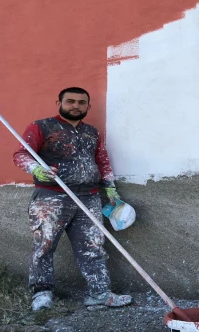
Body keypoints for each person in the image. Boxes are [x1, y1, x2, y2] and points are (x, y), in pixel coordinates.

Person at [12, 87, 132, 311]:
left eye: (81, 102)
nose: (75, 106)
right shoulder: (42, 126)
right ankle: (42, 293)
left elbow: (102, 161)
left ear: (88, 106)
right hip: (52, 197)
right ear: (59, 103)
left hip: (89, 197)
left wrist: (111, 190)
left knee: (93, 246)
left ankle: (99, 294)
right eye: (70, 101)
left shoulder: (92, 132)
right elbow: (21, 155)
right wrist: (35, 168)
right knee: (45, 246)